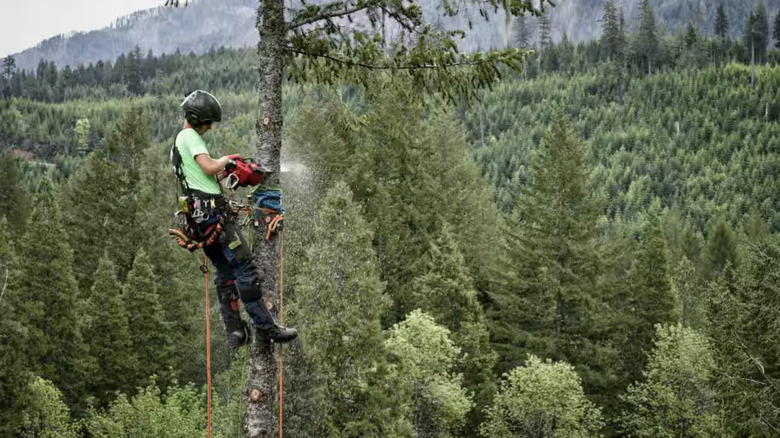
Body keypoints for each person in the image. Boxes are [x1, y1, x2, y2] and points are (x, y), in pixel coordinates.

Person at [170, 90, 298, 347]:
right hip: (213, 214)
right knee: (245, 268)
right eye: (207, 122)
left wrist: (230, 171)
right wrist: (229, 159)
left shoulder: (179, 143)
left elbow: (204, 176)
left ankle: (236, 331)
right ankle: (267, 328)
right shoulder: (189, 136)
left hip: (199, 218)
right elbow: (208, 167)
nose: (209, 127)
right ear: (196, 119)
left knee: (225, 271)